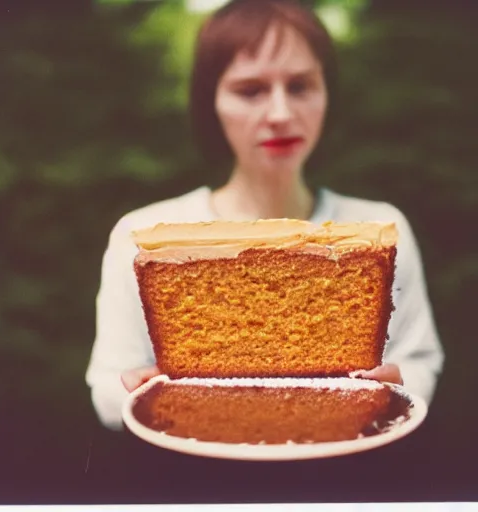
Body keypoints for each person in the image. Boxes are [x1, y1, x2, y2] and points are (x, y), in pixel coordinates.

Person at [85, 0, 444, 431]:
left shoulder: (383, 229)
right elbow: (107, 386)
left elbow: (421, 361)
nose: (279, 114)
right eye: (250, 90)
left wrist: (400, 386)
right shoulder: (140, 235)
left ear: (327, 94)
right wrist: (139, 394)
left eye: (300, 86)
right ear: (211, 102)